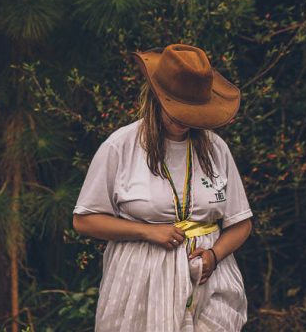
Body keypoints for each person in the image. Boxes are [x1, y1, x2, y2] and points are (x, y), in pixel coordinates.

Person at [73, 44, 253, 331]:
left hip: (208, 283)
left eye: (191, 111)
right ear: (157, 97)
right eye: (177, 108)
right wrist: (146, 231)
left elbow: (241, 223)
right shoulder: (121, 146)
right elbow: (84, 220)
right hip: (140, 284)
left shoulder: (215, 148)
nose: (183, 118)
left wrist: (214, 255)